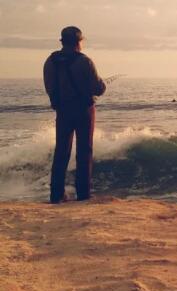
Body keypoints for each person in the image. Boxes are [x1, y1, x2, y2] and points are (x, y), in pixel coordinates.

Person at [43, 26, 106, 204]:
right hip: (83, 110)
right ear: (79, 42)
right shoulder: (84, 61)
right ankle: (83, 194)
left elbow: (49, 87)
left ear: (62, 42)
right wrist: (102, 85)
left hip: (62, 111)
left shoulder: (51, 61)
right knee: (84, 151)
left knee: (61, 151)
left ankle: (56, 194)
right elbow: (97, 88)